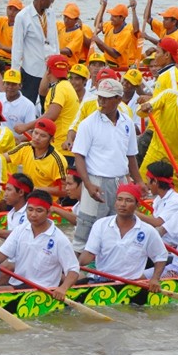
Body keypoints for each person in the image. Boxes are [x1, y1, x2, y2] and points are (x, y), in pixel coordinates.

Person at [71, 78, 146, 253]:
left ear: (118, 99)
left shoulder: (127, 123)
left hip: (120, 181)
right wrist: (88, 185)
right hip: (96, 180)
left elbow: (131, 156)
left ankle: (109, 261)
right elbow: (79, 156)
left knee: (116, 225)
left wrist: (139, 181)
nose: (101, 102)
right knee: (86, 226)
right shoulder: (87, 124)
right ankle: (76, 270)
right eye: (100, 97)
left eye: (106, 98)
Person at [78, 184, 167, 291]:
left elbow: (161, 256)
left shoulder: (148, 231)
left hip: (131, 285)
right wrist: (72, 264)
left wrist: (155, 279)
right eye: (119, 199)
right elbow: (88, 255)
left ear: (137, 205)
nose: (123, 204)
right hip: (101, 282)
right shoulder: (100, 225)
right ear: (115, 203)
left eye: (128, 200)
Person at [0, 190, 79, 300]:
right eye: (30, 210)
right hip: (18, 284)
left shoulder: (60, 239)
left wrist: (63, 288)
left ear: (49, 212)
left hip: (43, 290)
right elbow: (0, 256)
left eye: (39, 211)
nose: (33, 214)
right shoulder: (20, 230)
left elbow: (73, 270)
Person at [15, 54, 79, 164]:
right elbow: (42, 91)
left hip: (60, 145)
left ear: (49, 70)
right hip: (64, 146)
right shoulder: (65, 86)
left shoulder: (59, 88)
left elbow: (51, 115)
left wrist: (26, 126)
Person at [11, 0, 60, 104]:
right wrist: (15, 75)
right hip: (32, 71)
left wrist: (58, 63)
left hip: (50, 70)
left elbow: (55, 41)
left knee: (49, 104)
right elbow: (17, 47)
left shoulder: (51, 13)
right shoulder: (22, 16)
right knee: (29, 103)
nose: (52, 1)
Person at [4, 117, 67, 198]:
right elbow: (1, 159)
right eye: (35, 133)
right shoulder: (25, 147)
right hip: (25, 196)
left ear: (51, 139)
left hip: (45, 202)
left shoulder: (58, 160)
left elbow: (64, 190)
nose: (37, 138)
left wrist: (36, 189)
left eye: (43, 136)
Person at [135, 160, 178, 246]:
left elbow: (158, 222)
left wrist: (133, 213)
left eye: (148, 181)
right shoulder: (159, 199)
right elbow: (153, 219)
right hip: (160, 241)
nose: (147, 185)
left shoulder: (176, 201)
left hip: (173, 247)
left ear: (155, 181)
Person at [0, 173, 34, 239]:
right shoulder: (11, 213)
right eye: (5, 190)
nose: (5, 194)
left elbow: (19, 235)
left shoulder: (31, 213)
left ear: (21, 192)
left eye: (9, 190)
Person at [92, 0, 140, 69]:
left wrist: (99, 41)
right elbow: (97, 24)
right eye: (111, 15)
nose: (111, 18)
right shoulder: (110, 25)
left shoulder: (126, 32)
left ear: (122, 18)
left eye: (114, 16)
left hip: (121, 68)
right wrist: (103, 7)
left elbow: (115, 54)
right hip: (108, 64)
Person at [0, 69, 37, 140]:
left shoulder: (28, 105)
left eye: (14, 84)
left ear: (20, 86)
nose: (10, 87)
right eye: (8, 83)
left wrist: (17, 140)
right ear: (3, 84)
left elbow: (31, 131)